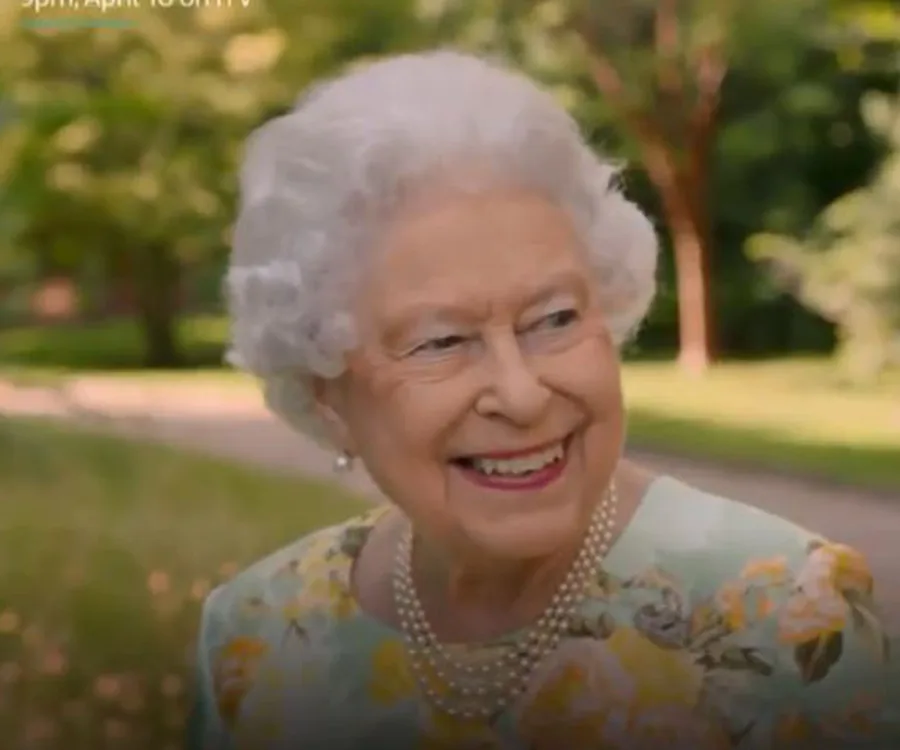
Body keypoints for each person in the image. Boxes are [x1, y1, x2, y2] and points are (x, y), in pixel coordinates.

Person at [188, 50, 895, 750]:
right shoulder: (258, 632)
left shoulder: (789, 614)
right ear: (327, 393)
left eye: (555, 320)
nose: (523, 396)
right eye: (440, 342)